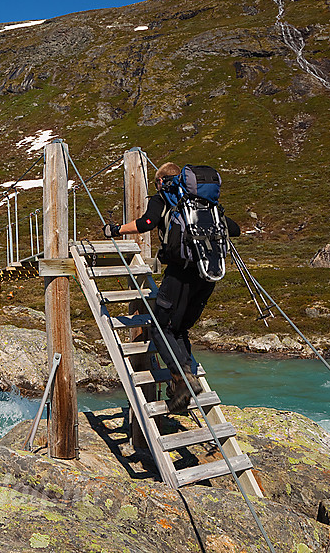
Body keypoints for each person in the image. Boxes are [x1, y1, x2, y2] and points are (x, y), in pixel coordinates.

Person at [102, 162, 240, 412]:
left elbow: (146, 222)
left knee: (159, 328)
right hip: (206, 276)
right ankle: (185, 381)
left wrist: (116, 230)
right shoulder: (204, 205)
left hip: (179, 274)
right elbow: (235, 230)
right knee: (179, 329)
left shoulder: (163, 197)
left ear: (161, 181)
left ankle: (183, 379)